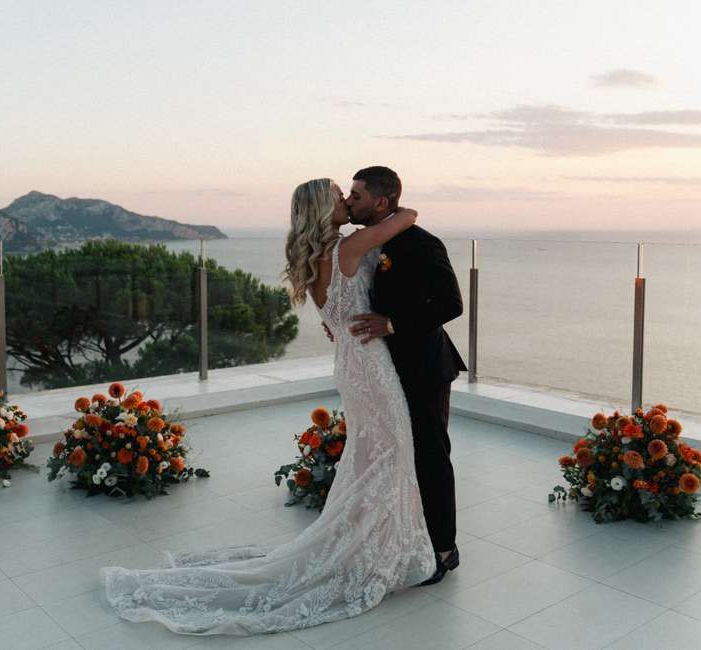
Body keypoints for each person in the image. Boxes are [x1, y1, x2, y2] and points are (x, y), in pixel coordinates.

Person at [100, 177, 435, 635]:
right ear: (322, 209)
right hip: (372, 368)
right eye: (338, 197)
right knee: (390, 455)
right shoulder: (348, 249)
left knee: (368, 461)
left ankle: (366, 546)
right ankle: (371, 554)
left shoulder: (315, 258)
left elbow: (335, 316)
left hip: (348, 365)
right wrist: (371, 210)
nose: (344, 201)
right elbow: (407, 217)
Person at [345, 165, 466, 585]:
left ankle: (444, 549)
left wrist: (393, 323)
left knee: (431, 455)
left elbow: (452, 304)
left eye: (356, 195)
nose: (349, 201)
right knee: (397, 455)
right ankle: (405, 537)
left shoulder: (422, 243)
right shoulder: (361, 245)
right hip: (382, 368)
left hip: (425, 366)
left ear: (382, 202)